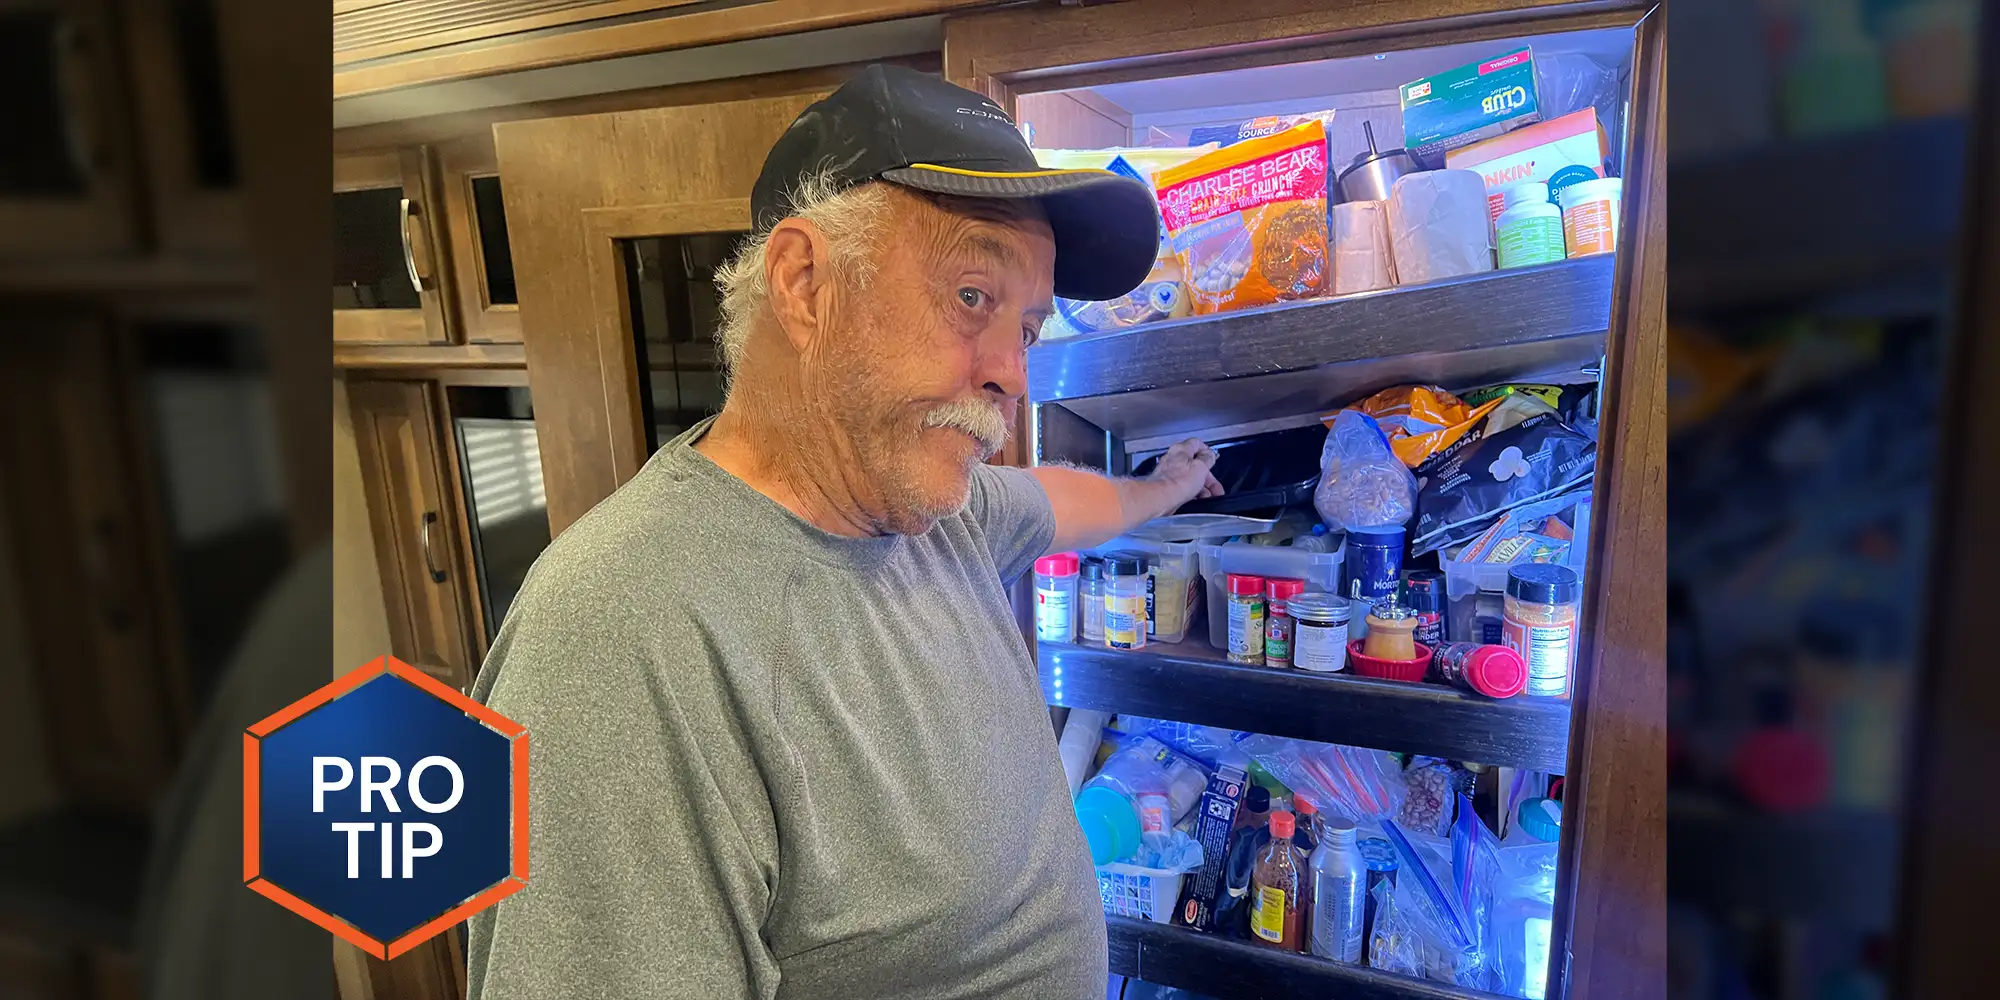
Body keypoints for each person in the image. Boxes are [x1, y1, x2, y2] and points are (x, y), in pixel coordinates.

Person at [467, 64, 1222, 1000]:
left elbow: (1063, 500)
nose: (1012, 375)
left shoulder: (936, 514)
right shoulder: (620, 638)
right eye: (972, 297)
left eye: (1025, 328)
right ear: (804, 284)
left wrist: (1163, 488)